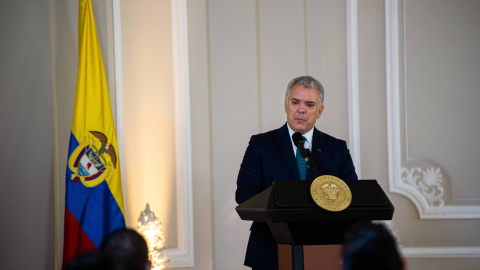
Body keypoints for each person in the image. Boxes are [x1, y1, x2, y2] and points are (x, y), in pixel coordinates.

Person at [236, 75, 358, 270]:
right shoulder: (261, 145)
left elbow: (351, 195)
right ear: (286, 105)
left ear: (320, 111)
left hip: (324, 248)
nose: (301, 109)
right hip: (270, 247)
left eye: (309, 104)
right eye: (295, 102)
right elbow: (244, 194)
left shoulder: (337, 148)